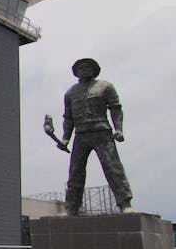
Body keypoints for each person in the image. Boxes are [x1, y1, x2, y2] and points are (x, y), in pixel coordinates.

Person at [57, 58, 134, 216]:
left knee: (113, 169)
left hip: (102, 132)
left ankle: (125, 203)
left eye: (87, 66)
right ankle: (72, 207)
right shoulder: (70, 93)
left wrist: (119, 129)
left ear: (94, 69)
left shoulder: (105, 87)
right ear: (76, 71)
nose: (84, 69)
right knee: (75, 172)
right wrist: (66, 138)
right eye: (80, 67)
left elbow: (115, 109)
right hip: (81, 135)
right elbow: (68, 118)